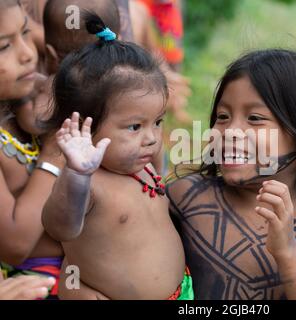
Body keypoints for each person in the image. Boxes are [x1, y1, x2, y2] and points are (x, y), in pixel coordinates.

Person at [166, 49, 296, 300]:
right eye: (223, 117)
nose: (231, 131)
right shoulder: (186, 197)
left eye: (255, 118)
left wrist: (288, 253)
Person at [41, 12, 193, 300]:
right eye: (135, 126)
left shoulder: (142, 162)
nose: (151, 137)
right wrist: (77, 174)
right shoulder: (88, 182)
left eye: (157, 122)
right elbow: (59, 226)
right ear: (85, 126)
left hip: (182, 292)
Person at [0, 0, 64, 299]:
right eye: (3, 47)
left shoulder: (27, 96)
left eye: (25, 33)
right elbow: (14, 244)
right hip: (35, 280)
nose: (27, 54)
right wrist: (52, 156)